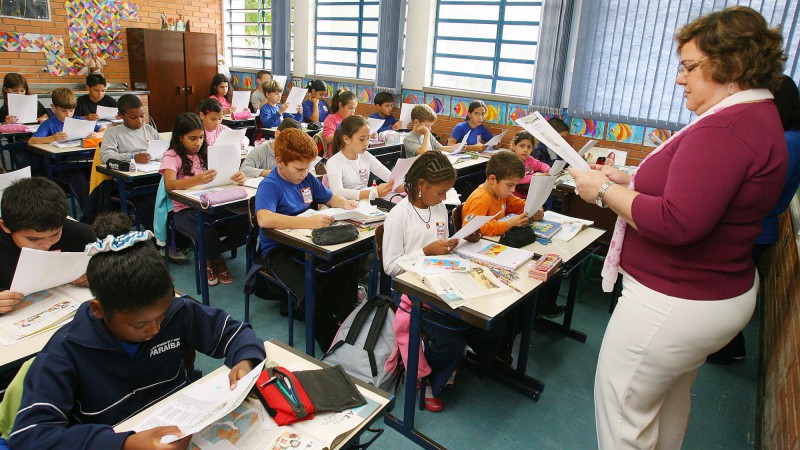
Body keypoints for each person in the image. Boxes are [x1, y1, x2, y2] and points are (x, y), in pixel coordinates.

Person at [568, 7, 788, 448]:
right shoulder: (757, 117)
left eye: (689, 67)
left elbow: (676, 221)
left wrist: (599, 192)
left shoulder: (726, 127)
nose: (679, 79)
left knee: (624, 416)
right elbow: (700, 194)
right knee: (667, 402)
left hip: (672, 301)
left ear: (733, 65)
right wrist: (630, 183)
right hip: (712, 293)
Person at [8, 213, 266, 449]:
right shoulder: (66, 351)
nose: (155, 329)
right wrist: (125, 444)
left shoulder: (177, 312)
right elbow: (30, 436)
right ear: (99, 310)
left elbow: (236, 333)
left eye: (161, 315)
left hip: (180, 428)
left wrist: (245, 361)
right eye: (140, 325)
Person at [382, 151, 503, 413]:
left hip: (440, 280)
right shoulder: (398, 216)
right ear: (422, 185)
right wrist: (425, 253)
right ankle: (427, 383)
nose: (445, 198)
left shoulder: (437, 207)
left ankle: (457, 363)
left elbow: (443, 244)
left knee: (491, 321)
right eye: (441, 192)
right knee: (450, 338)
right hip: (409, 292)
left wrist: (462, 238)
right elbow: (390, 268)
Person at [708, 75, 800, 365]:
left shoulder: (788, 142)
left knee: (725, 289)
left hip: (758, 228)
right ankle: (730, 346)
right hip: (763, 227)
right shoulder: (791, 137)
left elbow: (762, 190)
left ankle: (727, 348)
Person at [254, 128, 358, 311]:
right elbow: (264, 219)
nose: (304, 173)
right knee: (312, 293)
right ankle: (328, 332)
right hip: (279, 250)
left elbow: (329, 197)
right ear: (280, 162)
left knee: (345, 268)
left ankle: (343, 319)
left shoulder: (307, 178)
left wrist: (345, 203)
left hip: (307, 243)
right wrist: (308, 223)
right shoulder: (270, 185)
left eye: (307, 168)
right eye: (299, 169)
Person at [160, 112, 248, 286]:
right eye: (192, 138)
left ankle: (211, 255)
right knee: (206, 232)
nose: (198, 143)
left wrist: (238, 177)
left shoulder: (206, 152)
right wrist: (196, 180)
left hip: (212, 204)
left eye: (201, 137)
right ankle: (218, 260)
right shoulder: (172, 156)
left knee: (246, 223)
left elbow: (222, 174)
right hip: (185, 210)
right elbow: (169, 185)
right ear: (179, 137)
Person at [0, 177, 95, 314]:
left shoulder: (81, 234)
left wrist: (98, 277)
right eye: (33, 239)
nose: (46, 244)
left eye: (55, 234)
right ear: (5, 227)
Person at [29, 88, 105, 211]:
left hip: (84, 161)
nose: (68, 114)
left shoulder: (79, 120)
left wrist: (96, 135)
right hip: (65, 165)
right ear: (54, 108)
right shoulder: (49, 124)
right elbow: (32, 141)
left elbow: (103, 130)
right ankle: (90, 213)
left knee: (103, 173)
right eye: (63, 111)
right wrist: (52, 138)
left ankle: (106, 208)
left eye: (71, 110)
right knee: (79, 180)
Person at [461, 150, 543, 236]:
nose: (513, 190)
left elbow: (523, 206)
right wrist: (508, 225)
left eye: (515, 185)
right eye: (510, 185)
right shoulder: (480, 199)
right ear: (492, 179)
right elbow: (470, 229)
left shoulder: (502, 194)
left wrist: (537, 210)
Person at [325, 115, 401, 200]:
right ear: (346, 139)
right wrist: (373, 192)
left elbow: (386, 174)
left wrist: (398, 183)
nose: (366, 143)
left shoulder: (366, 155)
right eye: (361, 139)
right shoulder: (334, 162)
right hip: (345, 206)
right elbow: (337, 192)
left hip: (364, 203)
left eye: (368, 138)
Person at [99, 94, 159, 164]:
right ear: (120, 115)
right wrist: (132, 157)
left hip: (152, 169)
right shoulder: (112, 133)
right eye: (133, 117)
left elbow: (163, 149)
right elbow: (105, 157)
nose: (139, 121)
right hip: (127, 171)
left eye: (142, 116)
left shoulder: (149, 129)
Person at [509, 131, 551, 199]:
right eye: (522, 146)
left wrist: (548, 170)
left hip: (528, 196)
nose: (525, 150)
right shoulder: (510, 161)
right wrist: (535, 177)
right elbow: (516, 179)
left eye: (529, 147)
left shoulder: (530, 160)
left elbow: (540, 165)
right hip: (513, 198)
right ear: (514, 146)